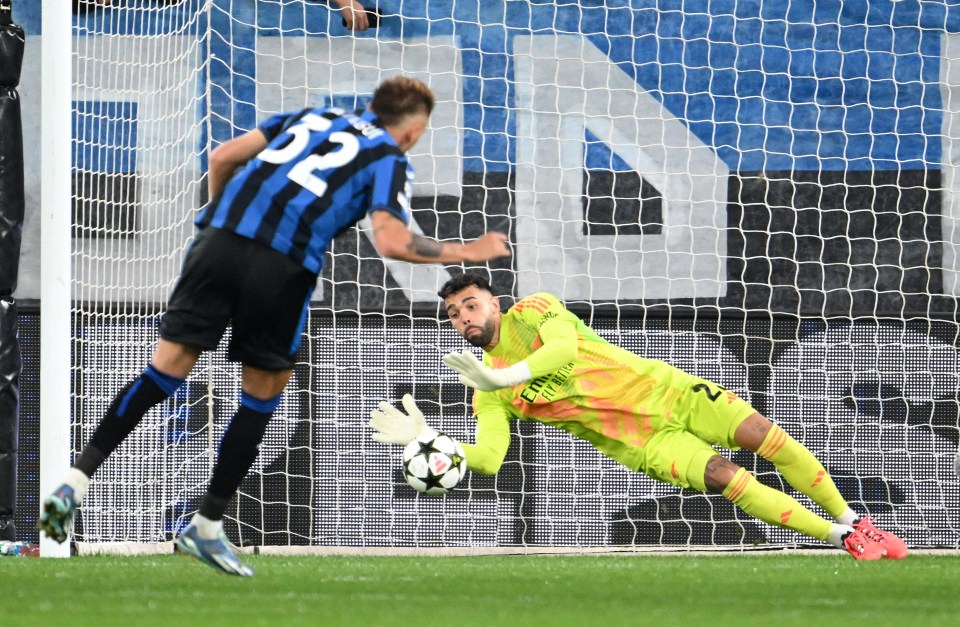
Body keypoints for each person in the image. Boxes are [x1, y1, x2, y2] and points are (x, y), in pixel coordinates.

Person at [38, 77, 511, 576]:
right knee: (261, 394)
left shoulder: (312, 116)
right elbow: (392, 242)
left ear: (372, 106)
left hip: (216, 242)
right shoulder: (389, 158)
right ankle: (205, 526)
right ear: (412, 132)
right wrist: (466, 250)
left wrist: (223, 222)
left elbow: (222, 157)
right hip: (282, 263)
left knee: (165, 371)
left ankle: (74, 480)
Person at [369, 272, 908, 560]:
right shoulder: (484, 390)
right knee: (727, 477)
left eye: (469, 304)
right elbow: (490, 458)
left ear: (494, 303)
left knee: (770, 439)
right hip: (642, 441)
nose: (463, 317)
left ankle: (855, 517)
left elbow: (561, 351)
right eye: (453, 314)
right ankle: (841, 538)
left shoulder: (533, 311)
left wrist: (507, 376)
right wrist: (433, 441)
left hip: (669, 391)